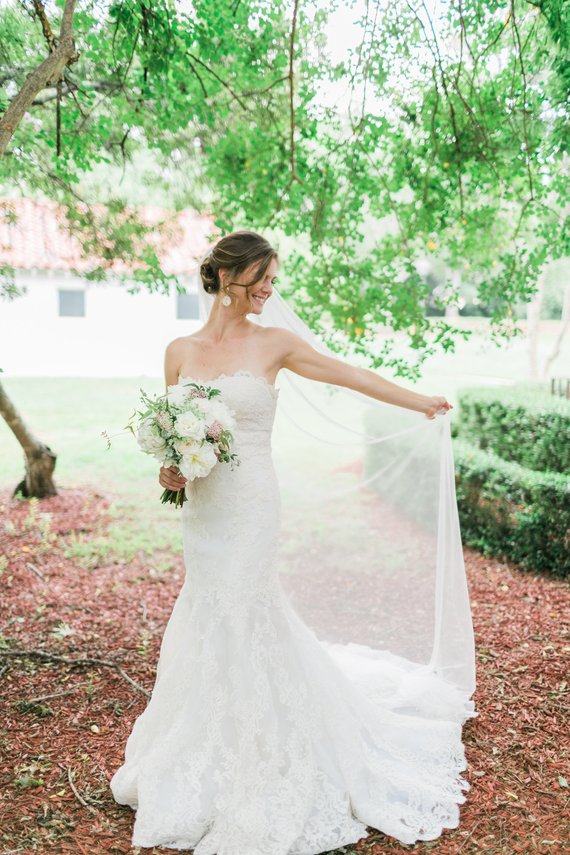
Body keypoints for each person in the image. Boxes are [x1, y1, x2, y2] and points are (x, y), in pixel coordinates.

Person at [110, 230, 477, 853]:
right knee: (208, 608)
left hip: (251, 502)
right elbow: (173, 442)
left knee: (245, 607)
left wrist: (418, 403)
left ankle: (267, 749)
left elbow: (348, 373)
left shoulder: (275, 343)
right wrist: (169, 469)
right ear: (226, 277)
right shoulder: (178, 351)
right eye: (260, 280)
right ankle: (206, 743)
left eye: (272, 280)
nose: (269, 291)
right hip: (203, 511)